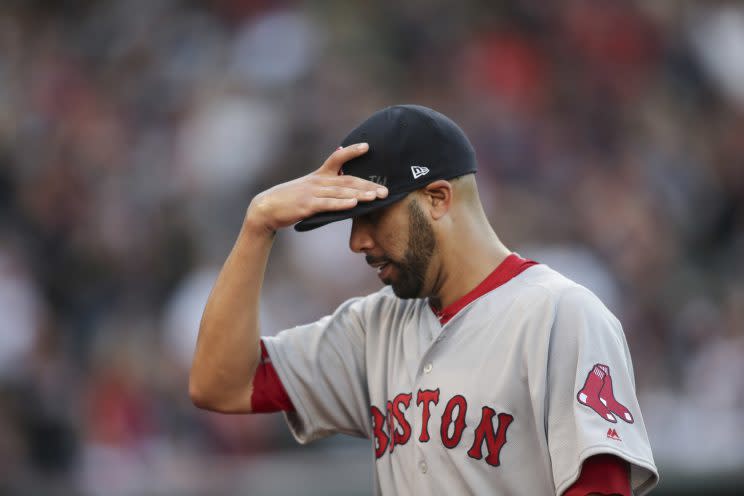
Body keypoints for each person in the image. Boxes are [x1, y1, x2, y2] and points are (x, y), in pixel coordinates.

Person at [190, 105, 659, 495]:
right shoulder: (372, 327)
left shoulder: (560, 314)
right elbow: (221, 385)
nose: (357, 242)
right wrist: (258, 226)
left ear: (436, 198)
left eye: (372, 217)